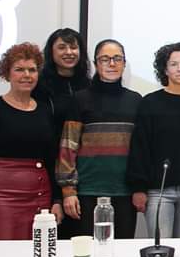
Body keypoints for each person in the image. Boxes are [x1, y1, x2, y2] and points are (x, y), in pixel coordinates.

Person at [0, 43, 62, 239]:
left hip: (41, 195)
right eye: (19, 69)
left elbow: (52, 161)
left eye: (32, 70)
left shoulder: (44, 110)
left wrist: (57, 199)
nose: (27, 75)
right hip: (2, 198)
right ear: (7, 74)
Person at [57, 39, 143, 238]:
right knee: (87, 256)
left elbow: (140, 150)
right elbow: (67, 147)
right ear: (96, 64)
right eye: (105, 59)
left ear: (124, 63)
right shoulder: (80, 99)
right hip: (87, 191)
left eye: (117, 59)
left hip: (125, 192)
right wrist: (68, 191)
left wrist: (140, 188)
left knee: (122, 256)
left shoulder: (135, 101)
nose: (111, 64)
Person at [127, 42, 180, 239]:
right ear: (165, 69)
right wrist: (138, 188)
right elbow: (140, 148)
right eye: (174, 64)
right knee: (160, 250)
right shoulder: (150, 102)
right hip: (157, 191)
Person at [36, 27, 91, 239]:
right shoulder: (40, 86)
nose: (69, 52)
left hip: (79, 167)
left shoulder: (88, 85)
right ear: (51, 52)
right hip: (49, 160)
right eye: (62, 47)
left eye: (74, 47)